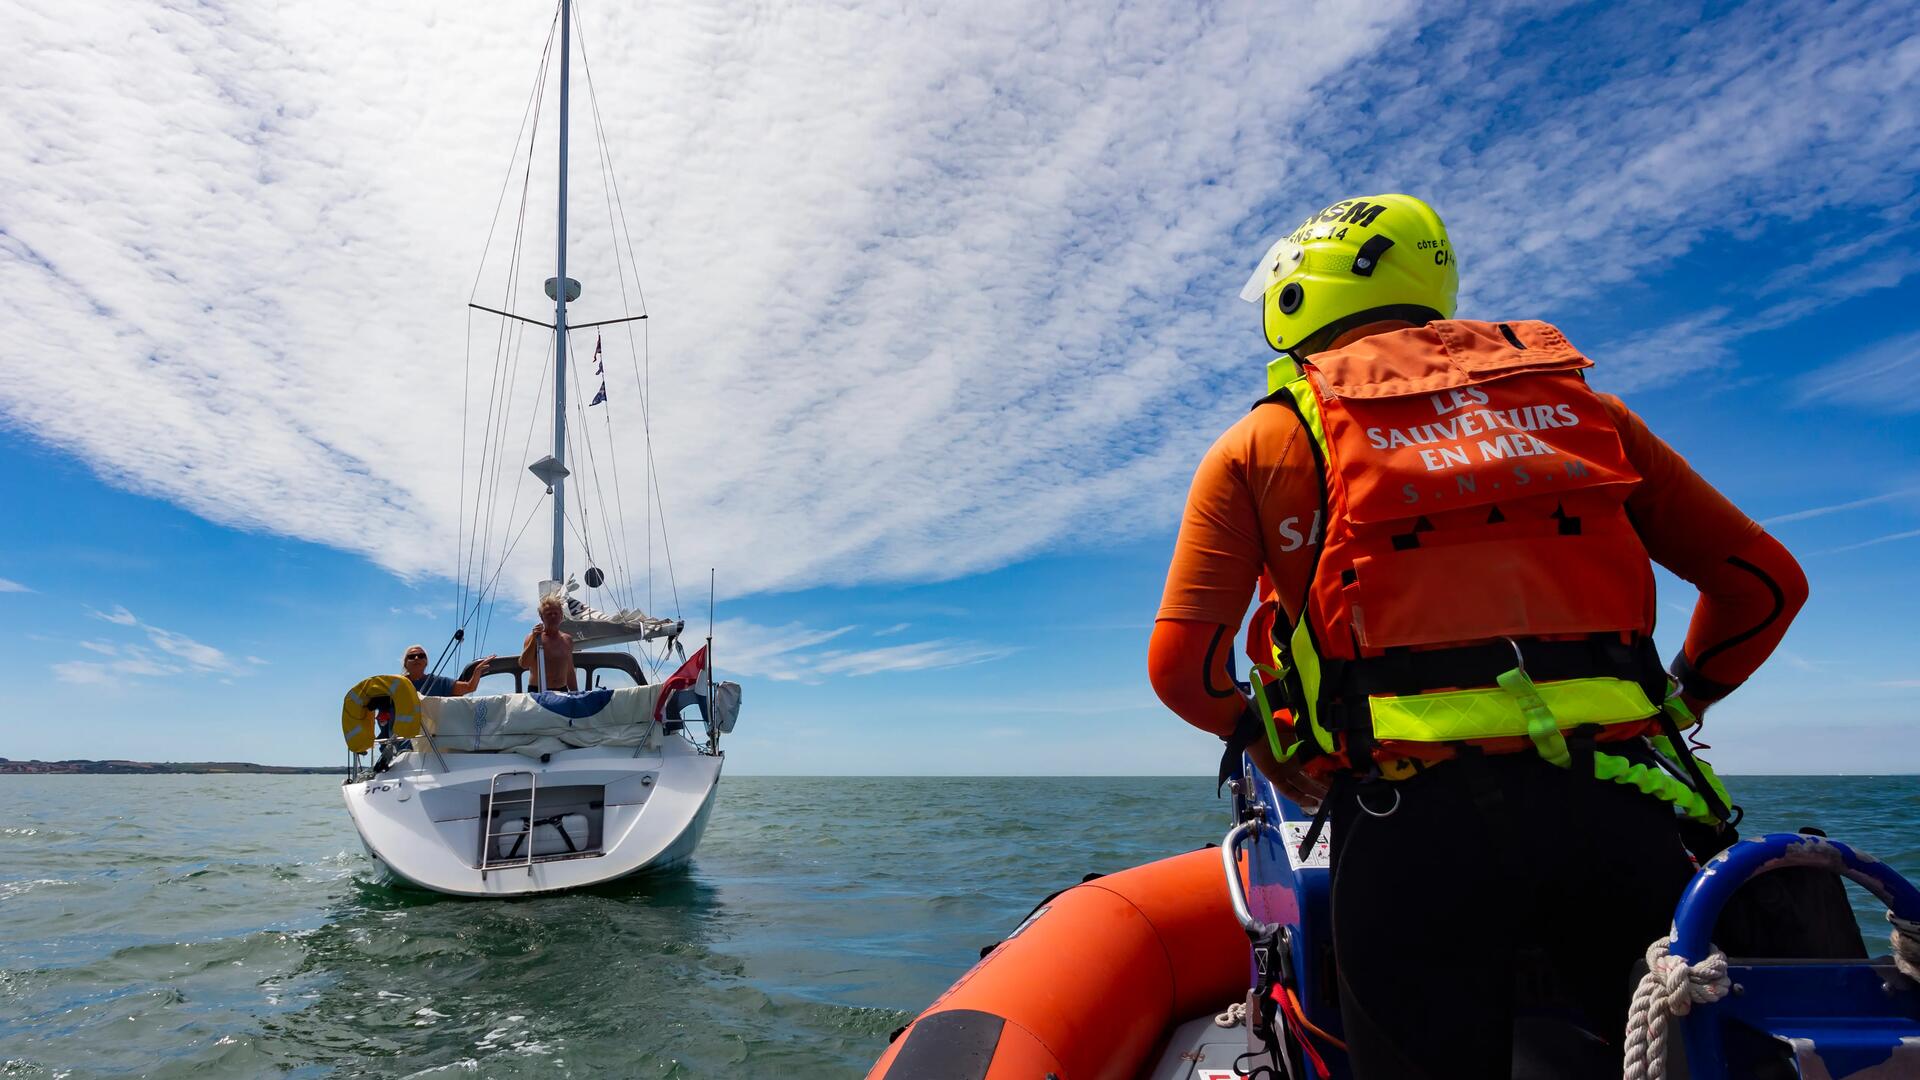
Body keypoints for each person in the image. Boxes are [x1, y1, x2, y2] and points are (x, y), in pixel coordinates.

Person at [1148, 193, 1807, 1077]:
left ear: (1296, 295)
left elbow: (1184, 671)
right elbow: (1764, 588)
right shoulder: (1593, 416)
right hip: (1616, 810)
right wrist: (1679, 700)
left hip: (1405, 827)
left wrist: (1276, 757)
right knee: (1662, 1051)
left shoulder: (1265, 442)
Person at [519, 592, 578, 692]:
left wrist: (576, 693)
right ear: (542, 617)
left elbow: (569, 670)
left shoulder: (567, 639)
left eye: (556, 613)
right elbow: (524, 664)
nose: (553, 616)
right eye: (549, 614)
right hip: (538, 691)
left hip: (561, 690)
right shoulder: (534, 638)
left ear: (561, 616)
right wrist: (534, 639)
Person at [402, 645, 494, 697]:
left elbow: (470, 687)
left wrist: (477, 671)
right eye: (411, 656)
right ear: (405, 664)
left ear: (426, 662)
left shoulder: (438, 682)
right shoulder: (396, 684)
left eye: (421, 656)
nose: (416, 658)